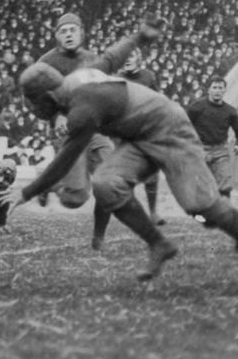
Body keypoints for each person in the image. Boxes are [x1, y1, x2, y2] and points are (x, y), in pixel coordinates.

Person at [11, 59, 238, 296]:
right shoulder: (72, 85)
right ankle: (159, 244)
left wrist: (26, 192)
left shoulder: (83, 109)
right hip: (139, 136)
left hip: (170, 131)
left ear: (47, 94)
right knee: (105, 184)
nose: (32, 110)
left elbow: (65, 161)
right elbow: (107, 61)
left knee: (202, 208)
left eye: (33, 102)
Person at [23, 13, 162, 247]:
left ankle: (98, 237)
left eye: (73, 30)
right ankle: (48, 182)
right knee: (75, 198)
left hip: (95, 130)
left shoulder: (92, 59)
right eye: (63, 31)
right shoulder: (45, 63)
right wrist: (55, 115)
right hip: (67, 130)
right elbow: (31, 99)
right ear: (56, 35)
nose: (69, 34)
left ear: (81, 33)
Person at [117, 49, 164, 228]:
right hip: (125, 130)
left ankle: (152, 212)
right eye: (125, 57)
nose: (127, 60)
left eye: (130, 56)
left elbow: (158, 99)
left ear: (139, 59)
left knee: (152, 170)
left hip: (146, 129)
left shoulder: (149, 77)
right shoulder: (117, 78)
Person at [185, 77, 238, 198]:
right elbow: (183, 127)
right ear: (209, 90)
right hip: (200, 150)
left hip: (220, 151)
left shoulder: (230, 111)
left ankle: (224, 215)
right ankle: (200, 215)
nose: (217, 91)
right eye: (214, 88)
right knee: (201, 188)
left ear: (224, 90)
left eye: (220, 88)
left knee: (225, 186)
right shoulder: (196, 107)